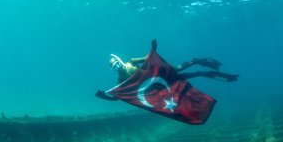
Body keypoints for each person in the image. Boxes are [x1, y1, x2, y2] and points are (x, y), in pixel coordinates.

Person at [96, 52, 239, 100]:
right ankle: (206, 72)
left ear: (119, 60)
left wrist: (153, 51)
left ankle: (198, 61)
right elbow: (118, 97)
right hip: (159, 84)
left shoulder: (131, 62)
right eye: (114, 66)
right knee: (192, 75)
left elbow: (147, 57)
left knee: (181, 67)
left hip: (161, 73)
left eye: (116, 63)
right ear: (113, 69)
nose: (117, 66)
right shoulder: (120, 80)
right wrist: (105, 97)